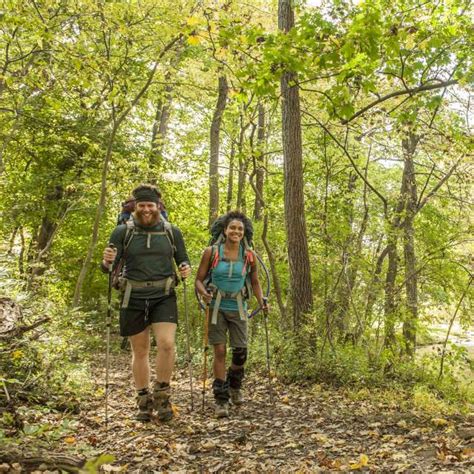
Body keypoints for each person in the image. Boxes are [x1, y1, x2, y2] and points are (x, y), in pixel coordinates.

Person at [102, 184, 191, 422]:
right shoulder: (122, 232)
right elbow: (109, 269)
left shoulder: (173, 231)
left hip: (164, 295)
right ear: (135, 207)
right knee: (139, 351)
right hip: (133, 296)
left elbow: (182, 259)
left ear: (158, 207)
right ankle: (143, 400)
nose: (146, 209)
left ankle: (162, 396)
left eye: (150, 205)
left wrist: (185, 268)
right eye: (142, 205)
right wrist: (106, 261)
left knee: (167, 344)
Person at [195, 211, 268, 418]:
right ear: (225, 230)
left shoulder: (249, 255)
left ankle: (235, 385)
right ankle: (221, 399)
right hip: (216, 307)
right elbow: (198, 280)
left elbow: (255, 282)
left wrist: (262, 300)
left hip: (239, 308)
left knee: (240, 353)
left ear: (244, 233)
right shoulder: (211, 252)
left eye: (240, 229)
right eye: (232, 228)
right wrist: (204, 294)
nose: (236, 231)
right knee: (219, 351)